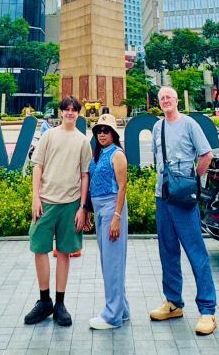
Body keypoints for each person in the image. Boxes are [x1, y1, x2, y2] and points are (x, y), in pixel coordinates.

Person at [150, 85, 217, 336]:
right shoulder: (157, 127)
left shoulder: (189, 124)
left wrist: (192, 179)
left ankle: (208, 310)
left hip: (183, 198)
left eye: (169, 97)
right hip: (163, 196)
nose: (165, 101)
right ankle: (173, 302)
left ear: (177, 100)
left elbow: (207, 155)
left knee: (195, 251)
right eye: (162, 98)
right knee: (167, 251)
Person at [24, 95, 91, 327]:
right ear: (61, 112)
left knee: (64, 252)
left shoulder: (82, 141)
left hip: (71, 203)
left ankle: (60, 304)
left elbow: (85, 175)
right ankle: (45, 300)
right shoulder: (49, 136)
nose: (70, 113)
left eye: (74, 109)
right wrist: (35, 197)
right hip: (46, 201)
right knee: (39, 248)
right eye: (66, 109)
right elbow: (38, 167)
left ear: (78, 113)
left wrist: (82, 207)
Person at [84, 115, 130, 330]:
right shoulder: (99, 153)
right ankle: (123, 310)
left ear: (114, 133)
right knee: (109, 260)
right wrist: (89, 210)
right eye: (98, 131)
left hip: (112, 208)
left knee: (112, 262)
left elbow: (122, 187)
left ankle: (112, 316)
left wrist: (116, 218)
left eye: (106, 130)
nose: (102, 134)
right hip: (100, 209)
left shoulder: (117, 154)